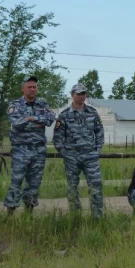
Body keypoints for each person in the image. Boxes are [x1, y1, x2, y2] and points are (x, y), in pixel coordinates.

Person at [4, 76, 56, 214]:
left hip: (38, 150)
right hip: (21, 149)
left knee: (34, 184)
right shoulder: (15, 104)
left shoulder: (42, 103)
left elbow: (51, 119)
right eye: (29, 87)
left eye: (34, 87)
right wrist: (38, 122)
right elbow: (16, 122)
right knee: (16, 182)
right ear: (23, 89)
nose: (32, 89)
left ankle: (29, 212)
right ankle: (10, 212)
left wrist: (32, 118)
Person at [53, 83, 105, 217]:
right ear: (72, 95)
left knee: (96, 186)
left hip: (90, 156)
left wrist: (98, 149)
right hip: (72, 157)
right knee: (72, 187)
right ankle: (76, 216)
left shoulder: (92, 112)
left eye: (84, 94)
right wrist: (65, 153)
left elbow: (99, 131)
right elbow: (57, 138)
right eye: (79, 94)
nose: (82, 96)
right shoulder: (64, 115)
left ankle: (97, 217)